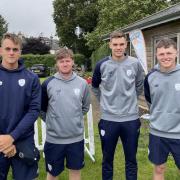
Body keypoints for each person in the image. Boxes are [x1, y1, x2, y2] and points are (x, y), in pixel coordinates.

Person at [92, 31, 144, 180]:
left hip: (131, 119)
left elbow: (139, 85)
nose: (118, 47)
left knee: (131, 160)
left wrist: (130, 98)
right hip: (109, 120)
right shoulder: (101, 65)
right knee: (107, 160)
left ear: (126, 44)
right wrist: (104, 101)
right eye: (115, 44)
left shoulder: (135, 64)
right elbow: (95, 86)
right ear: (110, 45)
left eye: (121, 44)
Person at [41, 48, 90, 180]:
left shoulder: (82, 83)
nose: (65, 64)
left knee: (75, 173)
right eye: (61, 61)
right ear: (57, 63)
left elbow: (85, 107)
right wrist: (53, 121)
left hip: (76, 138)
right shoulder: (47, 83)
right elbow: (42, 109)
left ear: (72, 61)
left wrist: (74, 118)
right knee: (52, 174)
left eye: (67, 60)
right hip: (54, 139)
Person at [0, 33, 41, 180]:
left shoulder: (32, 79)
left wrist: (12, 137)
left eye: (15, 49)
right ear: (1, 50)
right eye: (8, 48)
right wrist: (3, 140)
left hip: (23, 140)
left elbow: (34, 111)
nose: (11, 52)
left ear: (20, 52)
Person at [144, 38, 180, 180]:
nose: (165, 57)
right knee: (159, 168)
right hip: (158, 132)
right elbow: (149, 101)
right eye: (161, 54)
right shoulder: (151, 77)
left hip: (179, 133)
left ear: (176, 52)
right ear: (157, 55)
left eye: (169, 53)